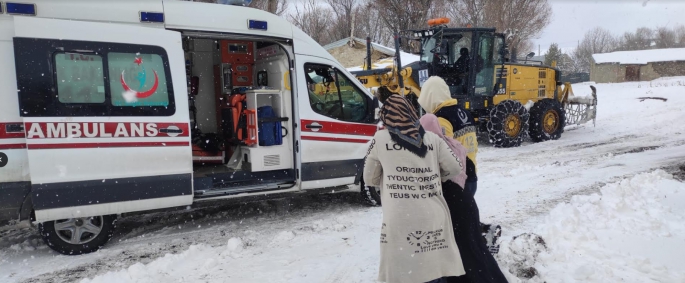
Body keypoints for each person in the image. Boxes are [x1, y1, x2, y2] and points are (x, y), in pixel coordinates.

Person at [364, 94, 466, 283]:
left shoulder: (380, 139)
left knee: (403, 271)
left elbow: (369, 178)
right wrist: (434, 176)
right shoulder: (433, 139)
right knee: (432, 269)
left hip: (400, 217)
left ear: (386, 117)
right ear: (411, 113)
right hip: (432, 214)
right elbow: (454, 168)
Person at [420, 114, 509, 283]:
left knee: (461, 255)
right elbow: (470, 172)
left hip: (453, 207)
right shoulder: (453, 145)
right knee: (475, 250)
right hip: (464, 201)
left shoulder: (429, 151)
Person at [418, 76, 478, 196]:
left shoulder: (441, 119)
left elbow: (443, 153)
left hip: (456, 181)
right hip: (471, 174)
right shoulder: (464, 112)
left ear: (429, 96)